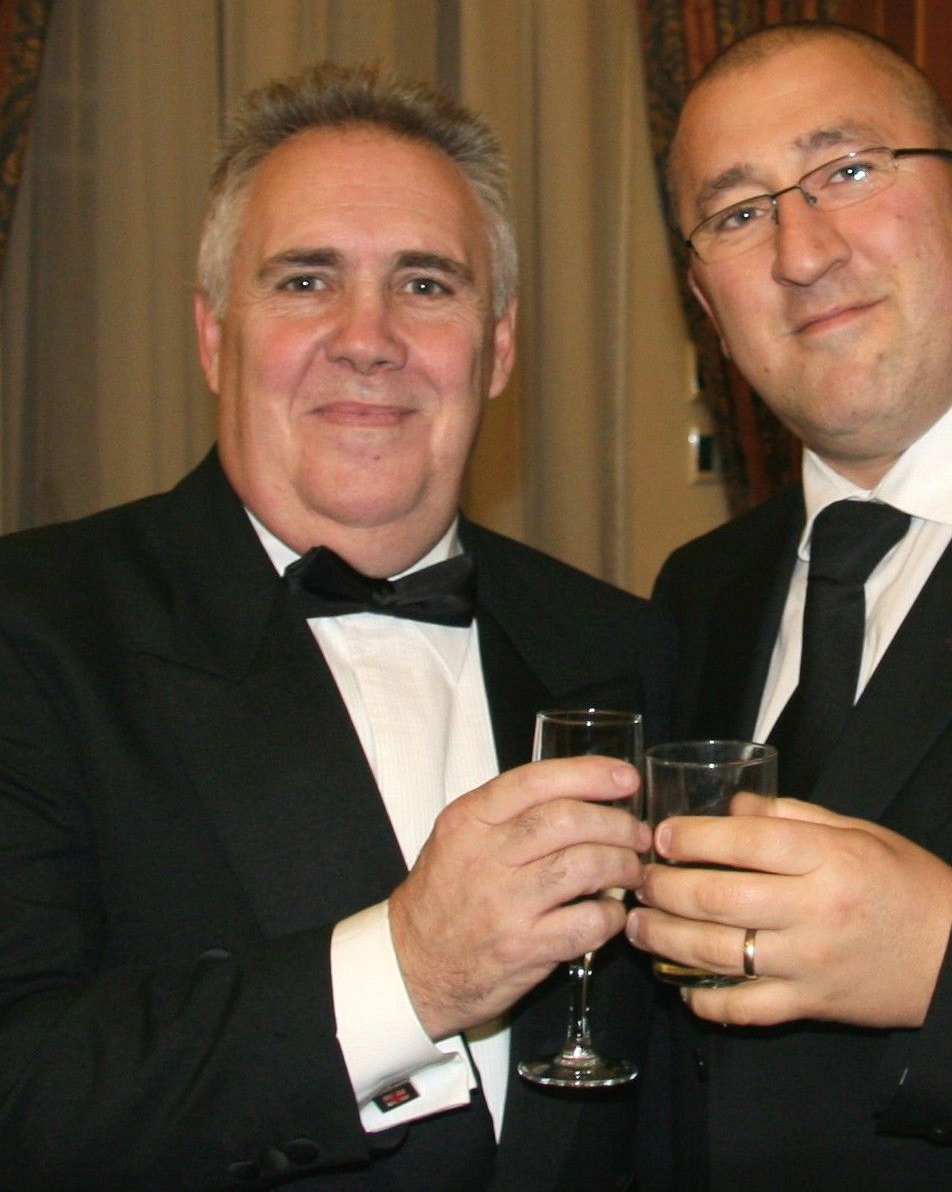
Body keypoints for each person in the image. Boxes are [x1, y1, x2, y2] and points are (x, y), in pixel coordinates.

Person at [0, 62, 673, 1191]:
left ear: (498, 348)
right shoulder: (33, 633)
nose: (368, 338)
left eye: (425, 284)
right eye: (307, 280)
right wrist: (405, 973)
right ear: (213, 334)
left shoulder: (630, 645)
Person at [627, 21, 952, 1188]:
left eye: (847, 170)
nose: (801, 251)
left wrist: (949, 961)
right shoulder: (698, 591)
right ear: (707, 304)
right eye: (737, 213)